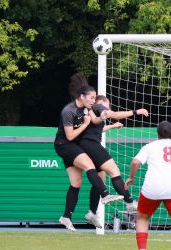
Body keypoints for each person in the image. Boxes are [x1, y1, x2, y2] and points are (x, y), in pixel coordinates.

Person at [54, 85, 124, 232]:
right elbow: (70, 136)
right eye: (91, 98)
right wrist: (85, 123)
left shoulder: (88, 109)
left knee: (76, 183)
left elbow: (97, 124)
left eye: (95, 98)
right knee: (90, 166)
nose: (94, 100)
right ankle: (105, 195)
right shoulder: (68, 111)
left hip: (75, 145)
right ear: (82, 97)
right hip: (64, 144)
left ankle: (66, 217)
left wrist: (109, 123)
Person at [79, 95, 149, 228]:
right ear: (101, 103)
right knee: (114, 171)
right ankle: (129, 203)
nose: (108, 108)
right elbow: (116, 114)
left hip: (85, 146)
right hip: (92, 145)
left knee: (100, 180)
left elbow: (99, 129)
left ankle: (92, 212)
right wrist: (135, 112)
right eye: (108, 105)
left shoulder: (90, 112)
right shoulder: (98, 106)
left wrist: (112, 126)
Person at [125, 121, 171, 250]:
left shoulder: (149, 146)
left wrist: (131, 177)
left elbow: (135, 162)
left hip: (152, 188)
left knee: (142, 218)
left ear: (157, 134)